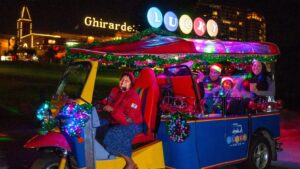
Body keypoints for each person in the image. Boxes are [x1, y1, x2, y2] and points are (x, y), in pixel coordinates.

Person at [97, 72, 142, 169]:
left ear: (131, 84)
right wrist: (98, 104)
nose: (123, 82)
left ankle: (131, 163)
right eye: (122, 80)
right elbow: (107, 100)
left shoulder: (134, 98)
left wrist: (113, 111)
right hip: (115, 120)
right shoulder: (115, 91)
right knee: (97, 126)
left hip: (134, 124)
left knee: (112, 134)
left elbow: (129, 120)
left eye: (127, 81)